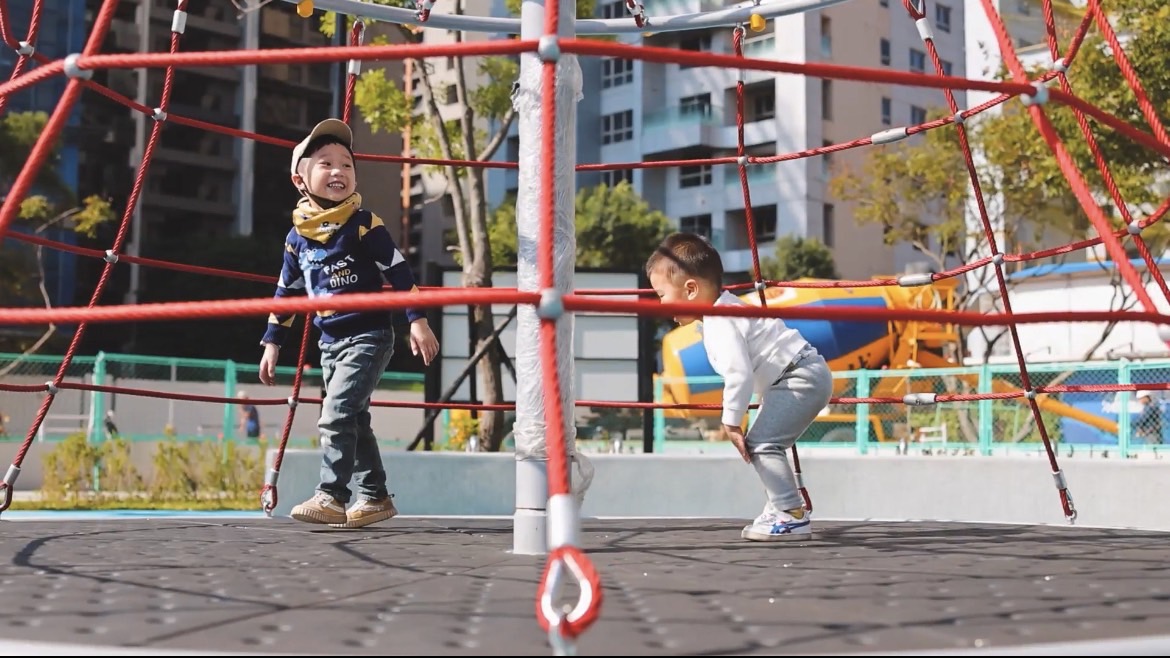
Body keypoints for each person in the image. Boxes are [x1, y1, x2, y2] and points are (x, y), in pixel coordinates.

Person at [258, 118, 440, 529]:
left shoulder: (363, 224)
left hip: (369, 335)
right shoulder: (296, 238)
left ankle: (332, 495)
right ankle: (374, 496)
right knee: (354, 417)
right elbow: (286, 292)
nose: (339, 172)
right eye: (325, 163)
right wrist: (272, 343)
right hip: (330, 343)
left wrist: (417, 320)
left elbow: (399, 271)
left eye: (347, 165)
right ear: (300, 179)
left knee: (336, 412)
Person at [645, 233, 833, 541]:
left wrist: (731, 420)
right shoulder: (723, 309)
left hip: (799, 377)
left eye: (661, 294)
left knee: (762, 444)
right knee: (767, 443)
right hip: (799, 374)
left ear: (691, 289)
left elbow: (740, 373)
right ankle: (781, 507)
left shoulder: (721, 320)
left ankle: (792, 514)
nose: (660, 303)